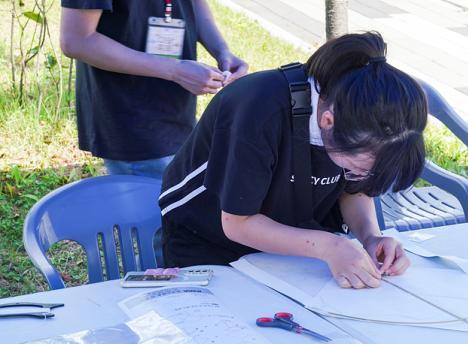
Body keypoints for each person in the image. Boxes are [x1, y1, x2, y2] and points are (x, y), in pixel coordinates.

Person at [159, 32, 428, 289]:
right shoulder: (259, 108)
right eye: (357, 169)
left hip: (294, 243)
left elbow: (352, 191)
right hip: (208, 242)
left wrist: (370, 237)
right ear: (327, 121)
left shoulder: (351, 117)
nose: (357, 177)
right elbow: (238, 223)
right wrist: (331, 247)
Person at [60, 0, 248, 179]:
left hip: (175, 108)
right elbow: (76, 40)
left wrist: (222, 51)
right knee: (154, 206)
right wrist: (175, 70)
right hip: (130, 115)